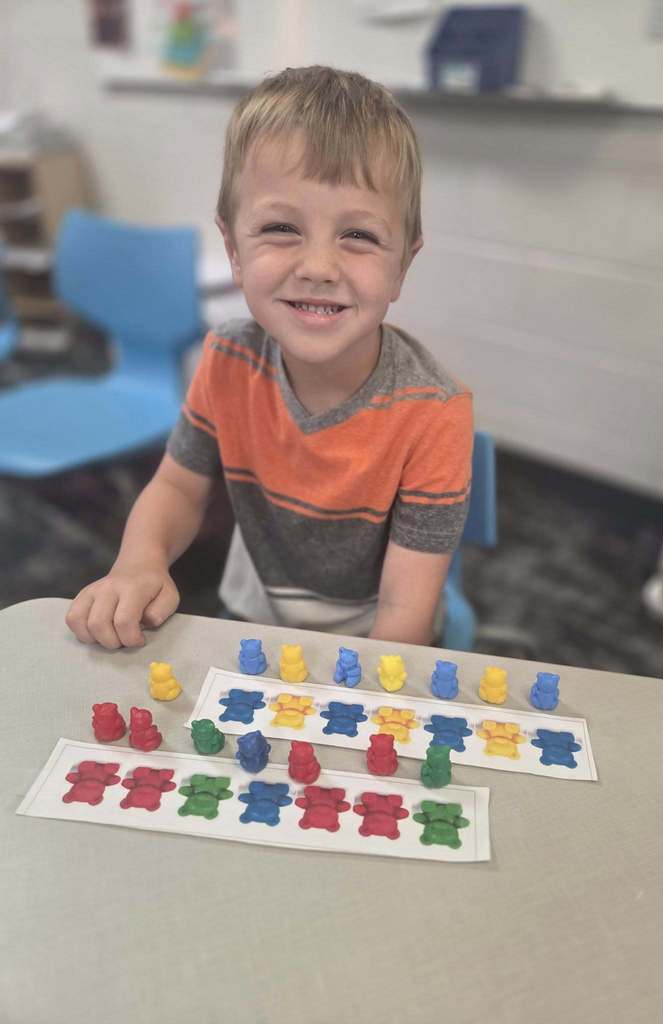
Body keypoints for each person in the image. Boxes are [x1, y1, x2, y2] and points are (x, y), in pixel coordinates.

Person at [66, 65, 473, 650]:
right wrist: (139, 562)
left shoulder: (435, 413)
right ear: (233, 249)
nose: (318, 267)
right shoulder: (228, 358)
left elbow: (404, 613)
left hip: (372, 635)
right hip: (254, 614)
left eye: (358, 236)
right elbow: (178, 490)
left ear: (402, 265)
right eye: (282, 227)